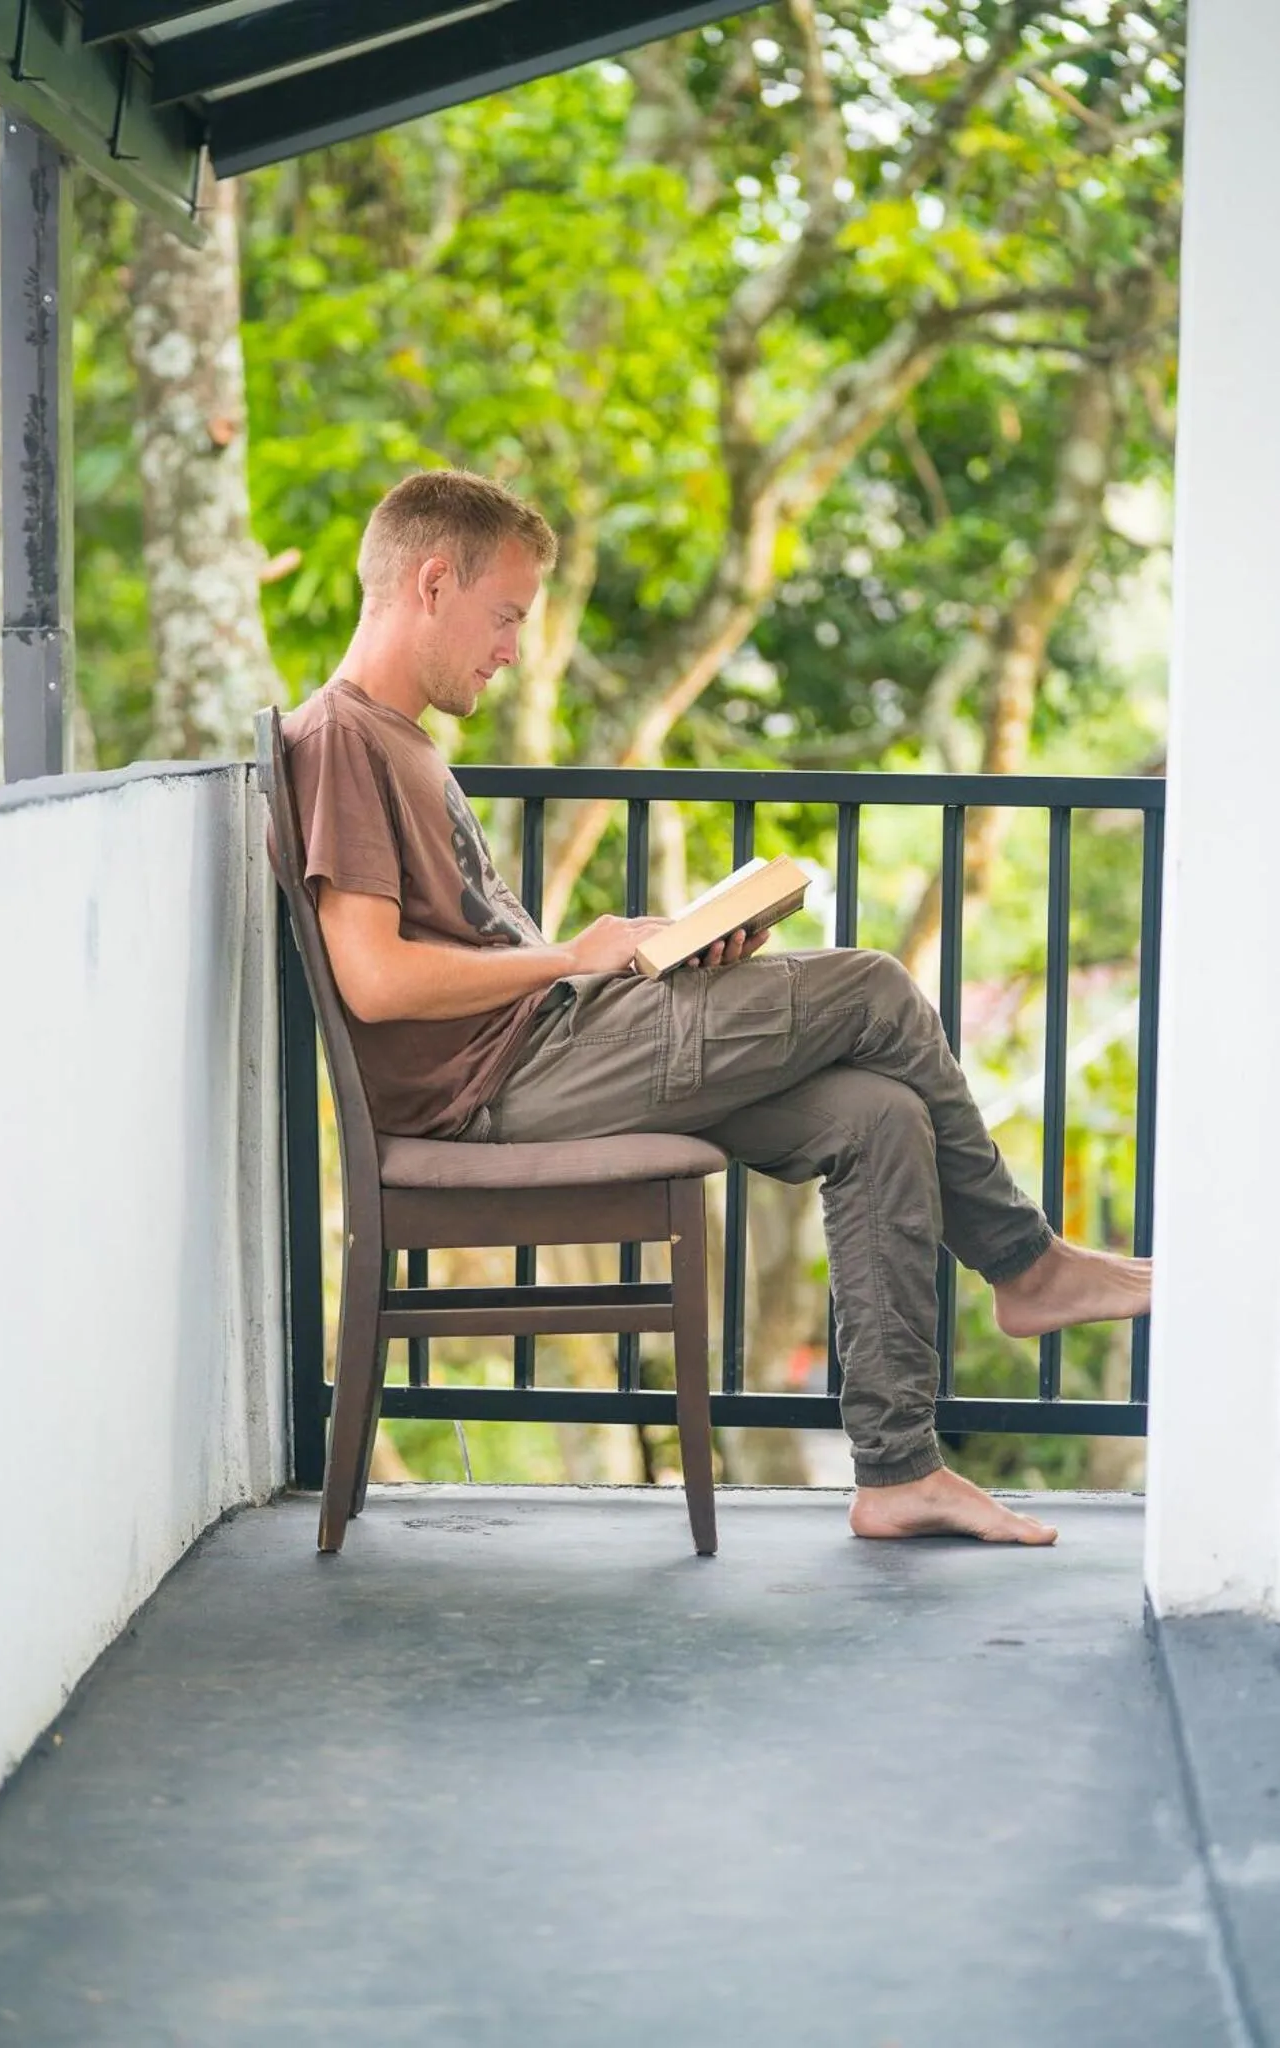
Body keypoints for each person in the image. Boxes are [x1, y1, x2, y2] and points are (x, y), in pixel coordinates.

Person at [279, 469, 1152, 1547]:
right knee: (873, 983)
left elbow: (470, 956)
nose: (510, 647)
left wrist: (654, 952)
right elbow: (371, 977)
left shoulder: (405, 742)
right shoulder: (340, 740)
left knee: (880, 1118)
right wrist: (569, 958)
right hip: (509, 1084)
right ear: (432, 581)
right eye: (504, 615)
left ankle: (898, 1470)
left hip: (561, 1044)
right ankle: (1027, 1265)